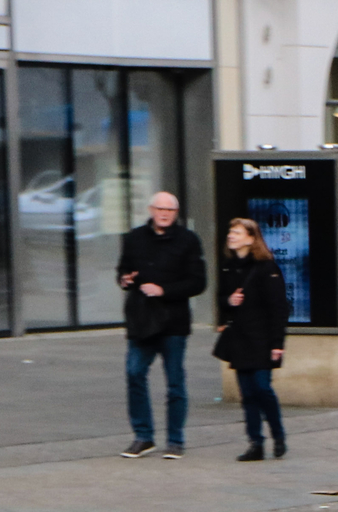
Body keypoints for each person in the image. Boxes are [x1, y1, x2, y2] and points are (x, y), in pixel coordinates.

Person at [116, 190, 206, 458]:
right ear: (151, 210)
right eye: (160, 209)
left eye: (170, 210)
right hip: (142, 319)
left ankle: (175, 440)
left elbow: (198, 282)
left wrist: (164, 290)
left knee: (175, 381)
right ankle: (143, 436)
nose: (164, 214)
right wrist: (125, 279)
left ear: (176, 214)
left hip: (173, 321)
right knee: (134, 373)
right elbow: (122, 270)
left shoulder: (188, 240)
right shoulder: (134, 238)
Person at [213, 217, 291, 461]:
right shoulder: (228, 266)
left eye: (236, 232)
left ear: (250, 238)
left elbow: (279, 307)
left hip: (262, 338)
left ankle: (278, 435)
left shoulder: (266, 267)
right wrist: (228, 301)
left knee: (262, 388)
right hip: (239, 338)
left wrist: (277, 344)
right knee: (247, 393)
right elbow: (221, 299)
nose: (231, 236)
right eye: (230, 231)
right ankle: (255, 442)